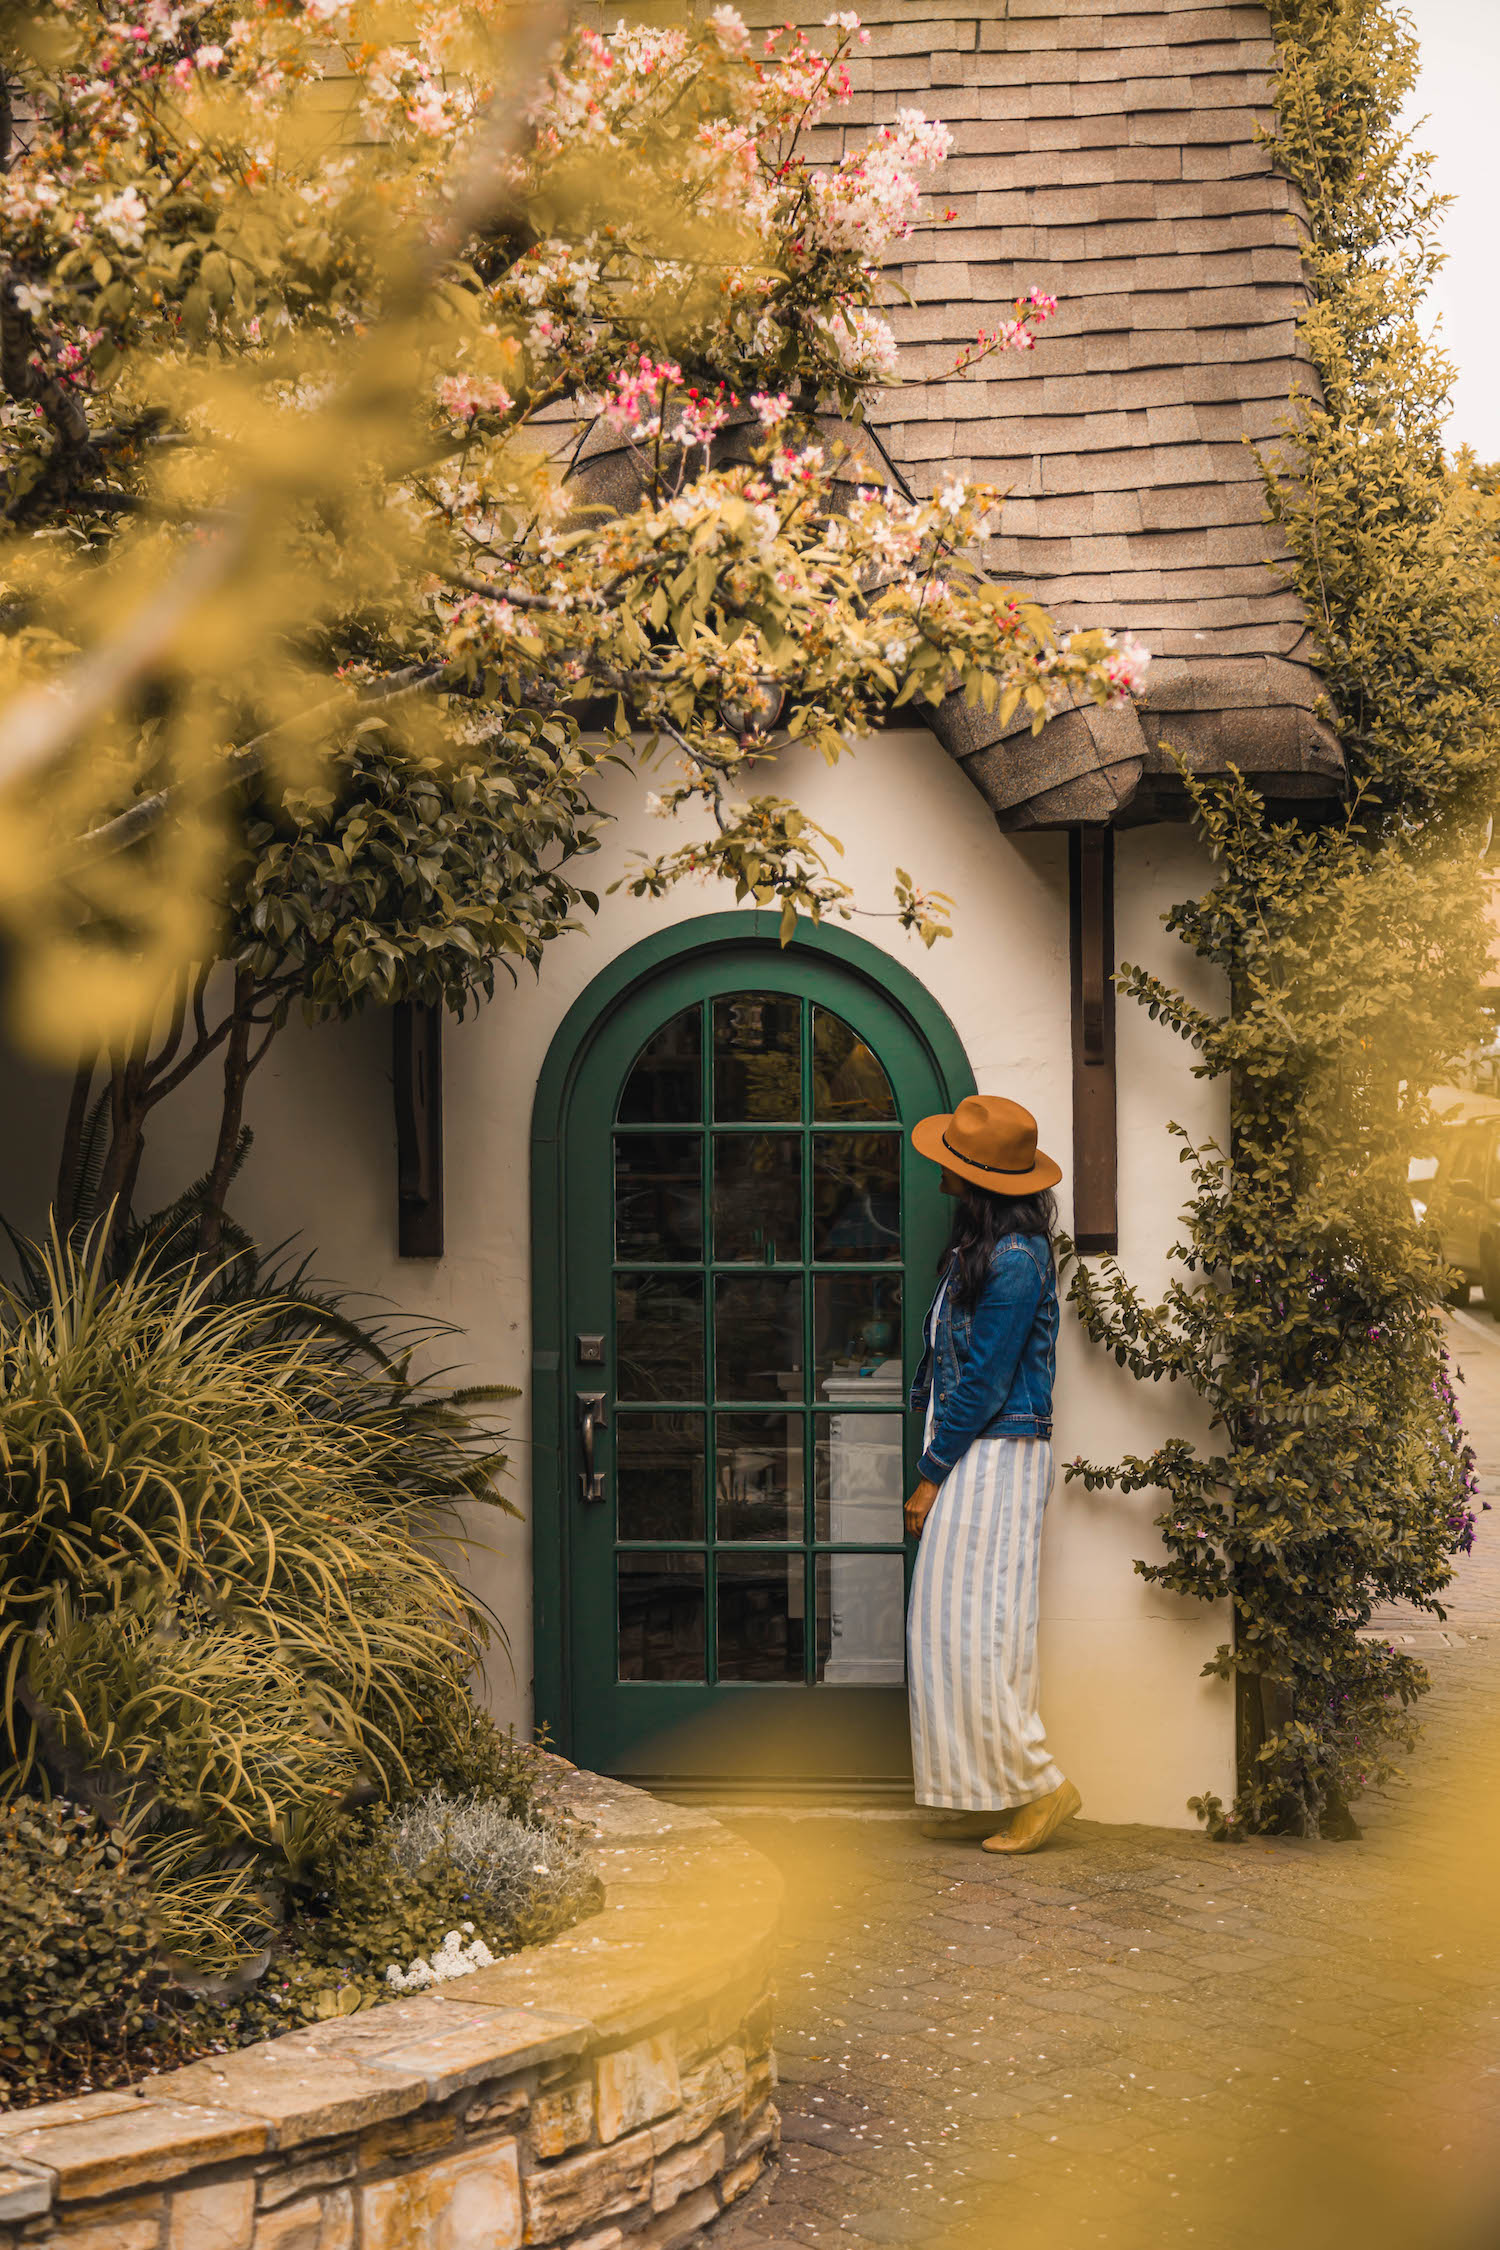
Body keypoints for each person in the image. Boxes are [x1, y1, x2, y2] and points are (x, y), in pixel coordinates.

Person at [905, 1092, 1081, 1854]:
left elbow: (982, 1381)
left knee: (977, 1629)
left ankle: (1042, 1788)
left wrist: (929, 1473)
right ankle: (987, 1788)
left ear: (977, 1181)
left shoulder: (1014, 1261)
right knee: (953, 1627)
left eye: (951, 1160)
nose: (939, 1169)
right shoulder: (985, 1251)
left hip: (995, 1454)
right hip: (977, 1448)